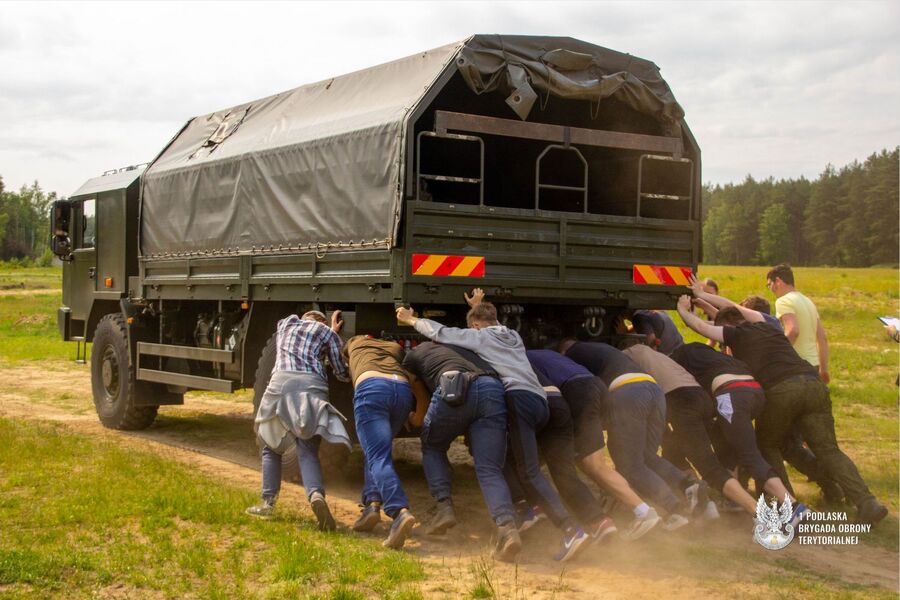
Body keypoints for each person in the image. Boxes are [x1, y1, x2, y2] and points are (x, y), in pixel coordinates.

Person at [396, 297, 591, 562]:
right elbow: (487, 321)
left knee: (529, 472)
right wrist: (477, 305)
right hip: (539, 401)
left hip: (518, 399)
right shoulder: (513, 335)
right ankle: (528, 513)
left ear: (475, 327)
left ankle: (571, 529)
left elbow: (441, 332)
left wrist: (410, 319)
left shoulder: (480, 337)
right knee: (504, 464)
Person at [676, 297, 889, 526]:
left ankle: (785, 505)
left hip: (782, 390)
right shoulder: (768, 327)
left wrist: (683, 309)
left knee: (766, 444)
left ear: (726, 329)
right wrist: (705, 299)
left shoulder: (737, 335)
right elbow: (734, 311)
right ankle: (867, 502)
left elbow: (700, 326)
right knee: (828, 449)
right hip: (813, 384)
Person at [401, 341, 523, 561]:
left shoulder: (413, 355)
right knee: (489, 468)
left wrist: (415, 419)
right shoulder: (465, 350)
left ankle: (444, 508)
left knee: (433, 446)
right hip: (492, 389)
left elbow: (421, 398)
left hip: (453, 387)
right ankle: (507, 527)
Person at [646, 340, 797, 516]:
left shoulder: (680, 361)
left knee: (748, 455)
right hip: (755, 392)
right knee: (724, 438)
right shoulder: (713, 357)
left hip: (730, 395)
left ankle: (792, 507)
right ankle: (733, 498)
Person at [560, 340, 696, 530]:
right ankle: (688, 485)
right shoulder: (603, 350)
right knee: (646, 457)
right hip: (654, 390)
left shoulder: (571, 353)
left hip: (627, 392)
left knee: (630, 465)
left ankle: (674, 510)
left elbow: (587, 388)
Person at [526, 349, 661, 540]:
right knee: (592, 463)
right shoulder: (544, 352)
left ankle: (643, 511)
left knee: (593, 464)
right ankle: (630, 509)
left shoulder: (519, 357)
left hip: (577, 391)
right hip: (596, 385)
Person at [247, 310, 350, 531]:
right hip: (312, 386)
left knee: (271, 446)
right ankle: (315, 495)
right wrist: (333, 334)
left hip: (280, 385)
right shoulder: (327, 333)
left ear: (304, 318)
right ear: (322, 321)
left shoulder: (285, 325)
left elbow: (301, 324)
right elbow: (341, 372)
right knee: (307, 448)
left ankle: (267, 503)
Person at [344, 334, 424, 549]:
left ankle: (399, 512)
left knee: (378, 455)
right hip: (402, 391)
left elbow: (342, 367)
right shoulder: (393, 348)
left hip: (372, 389)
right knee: (378, 450)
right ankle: (371, 505)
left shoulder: (354, 343)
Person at [766, 264, 830, 384]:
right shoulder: (808, 301)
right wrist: (824, 369)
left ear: (778, 281)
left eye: (769, 285)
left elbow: (793, 331)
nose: (770, 289)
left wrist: (778, 356)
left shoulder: (783, 301)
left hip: (796, 366)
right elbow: (822, 338)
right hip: (814, 365)